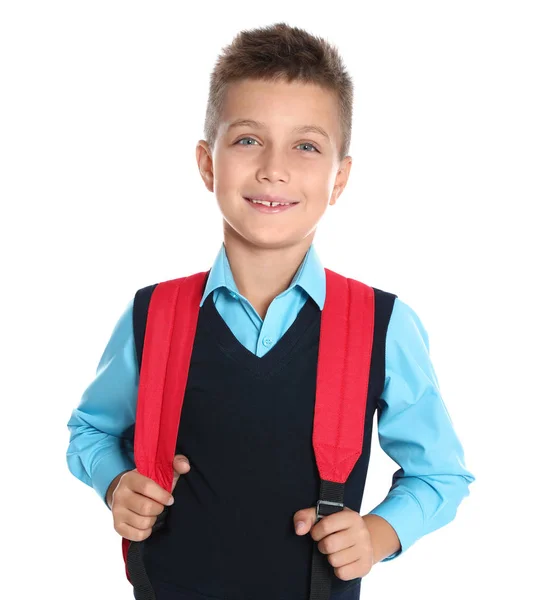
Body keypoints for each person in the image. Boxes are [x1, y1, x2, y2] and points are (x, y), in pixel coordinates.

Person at [66, 21, 475, 600]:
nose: (273, 168)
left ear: (340, 179)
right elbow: (89, 431)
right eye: (248, 140)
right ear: (209, 164)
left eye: (306, 146)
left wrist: (379, 534)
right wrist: (116, 485)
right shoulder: (152, 314)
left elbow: (442, 475)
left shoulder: (383, 325)